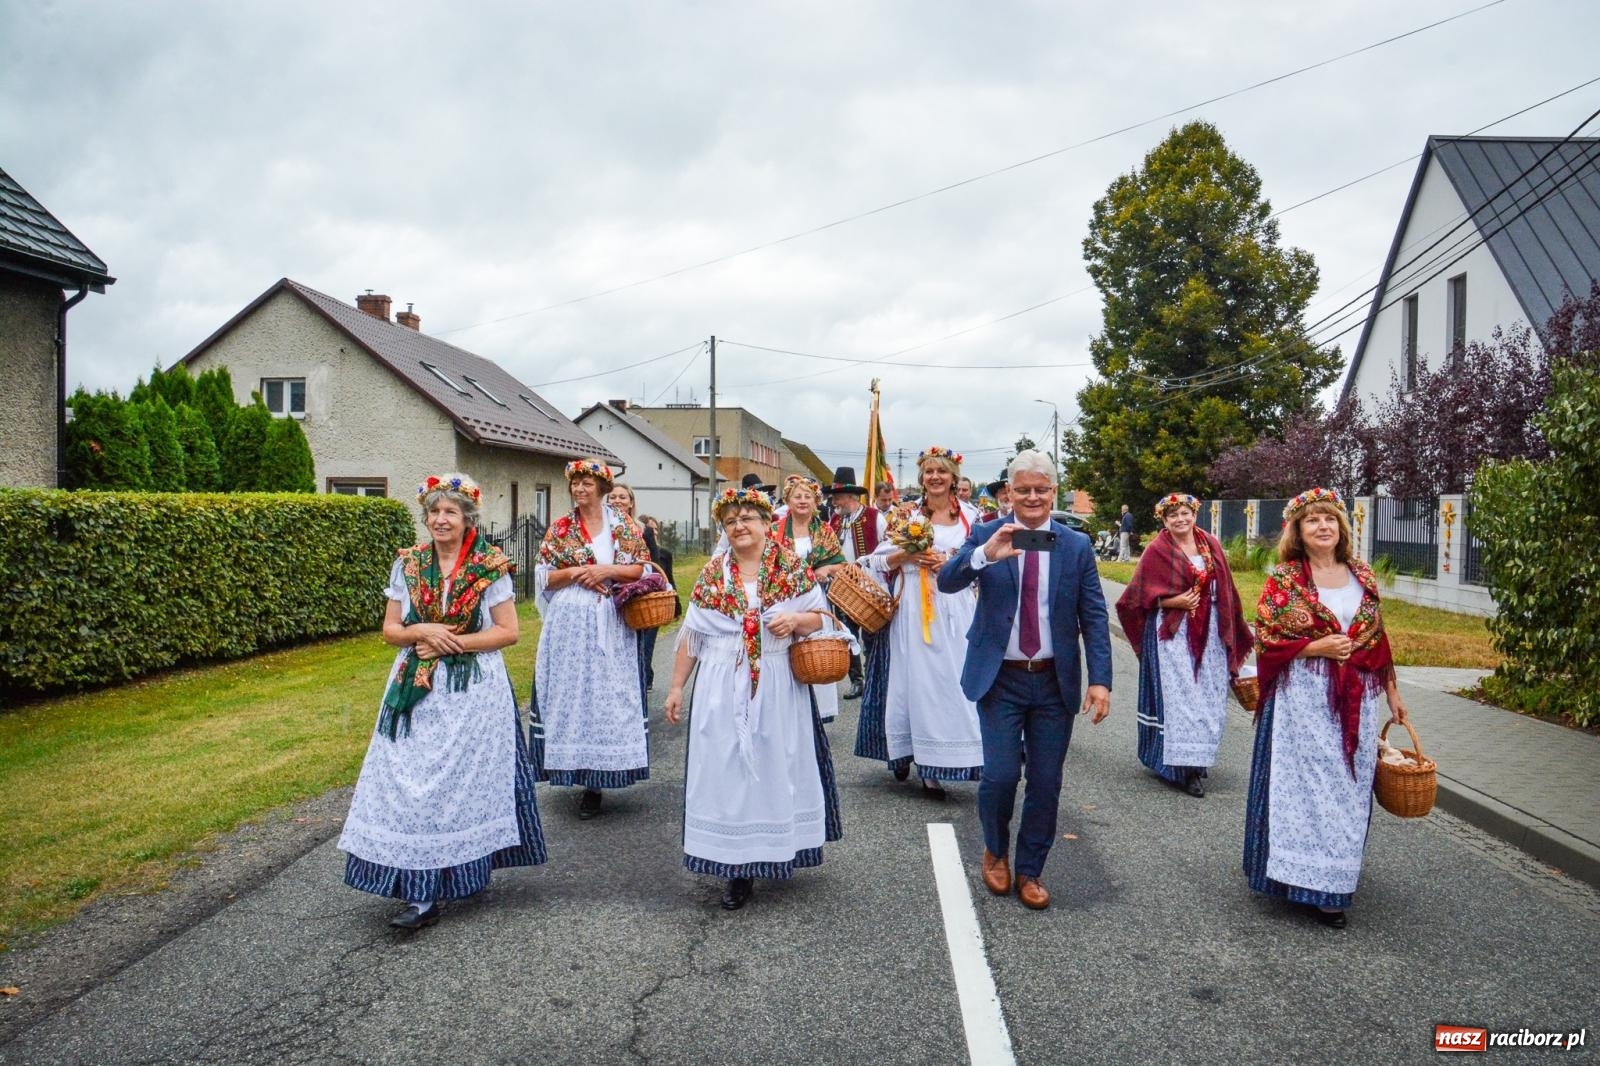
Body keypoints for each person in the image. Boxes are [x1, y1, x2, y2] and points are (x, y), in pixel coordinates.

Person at [339, 473, 546, 929]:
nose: (440, 519)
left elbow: (508, 632)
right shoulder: (408, 564)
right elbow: (391, 630)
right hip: (414, 685)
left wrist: (453, 643)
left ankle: (449, 878)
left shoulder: (489, 565)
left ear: (467, 517)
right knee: (410, 782)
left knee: (460, 785)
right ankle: (417, 888)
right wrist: (423, 632)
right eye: (434, 511)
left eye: (450, 511)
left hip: (471, 691)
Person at [938, 450, 1113, 911]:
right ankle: (996, 849)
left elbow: (1094, 615)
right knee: (998, 776)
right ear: (1008, 493)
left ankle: (1031, 869)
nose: (1032, 497)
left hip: (1053, 682)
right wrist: (983, 555)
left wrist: (1101, 679)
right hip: (1001, 678)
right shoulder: (985, 534)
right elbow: (946, 581)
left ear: (1053, 492)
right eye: (1023, 489)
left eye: (1041, 489)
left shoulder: (1074, 545)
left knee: (1045, 780)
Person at [664, 487, 843, 910]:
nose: (739, 525)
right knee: (726, 771)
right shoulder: (713, 575)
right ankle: (735, 867)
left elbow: (822, 618)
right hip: (722, 682)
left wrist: (796, 618)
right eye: (731, 520)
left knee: (775, 765)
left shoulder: (791, 568)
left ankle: (776, 850)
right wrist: (675, 688)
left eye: (747, 517)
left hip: (778, 680)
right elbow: (693, 637)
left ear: (766, 522)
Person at [1244, 487, 1409, 929]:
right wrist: (1314, 646)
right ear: (1297, 531)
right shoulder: (1286, 579)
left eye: (1330, 519)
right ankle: (1301, 879)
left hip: (1356, 695)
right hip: (1303, 696)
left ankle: (1335, 879)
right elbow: (1267, 639)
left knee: (1348, 787)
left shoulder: (1362, 575)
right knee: (1305, 786)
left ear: (1342, 528)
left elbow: (1378, 637)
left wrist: (1392, 692)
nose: (1323, 526)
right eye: (1313, 520)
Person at [532, 459, 652, 819]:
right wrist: (575, 572)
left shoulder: (624, 526)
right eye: (575, 484)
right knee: (573, 693)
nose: (580, 489)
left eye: (587, 483)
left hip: (611, 618)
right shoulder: (560, 529)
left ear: (601, 488)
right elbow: (544, 577)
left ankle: (599, 779)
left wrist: (607, 570)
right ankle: (574, 768)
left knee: (608, 693)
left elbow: (642, 568)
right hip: (570, 621)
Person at [861, 447, 984, 796]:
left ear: (953, 478)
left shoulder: (972, 518)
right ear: (921, 478)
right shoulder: (905, 515)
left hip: (956, 605)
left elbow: (980, 560)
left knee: (951, 681)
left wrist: (950, 562)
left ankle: (947, 754)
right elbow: (878, 562)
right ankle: (914, 756)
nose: (934, 477)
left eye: (941, 472)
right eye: (929, 472)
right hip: (914, 606)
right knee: (913, 682)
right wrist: (909, 554)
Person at [1115, 493, 1253, 798]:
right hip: (1174, 635)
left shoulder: (1211, 544)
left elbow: (1226, 586)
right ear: (1164, 520)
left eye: (1185, 513)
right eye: (1173, 515)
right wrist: (1170, 600)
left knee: (1209, 696)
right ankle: (1184, 769)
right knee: (1183, 700)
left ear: (1194, 515)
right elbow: (1134, 598)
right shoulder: (1157, 550)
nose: (1180, 519)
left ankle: (1198, 758)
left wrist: (1233, 625)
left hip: (1212, 631)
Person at [772, 475, 848, 723]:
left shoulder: (824, 531)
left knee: (816, 652)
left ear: (816, 501)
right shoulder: (775, 530)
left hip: (815, 599)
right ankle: (785, 706)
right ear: (788, 501)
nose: (802, 501)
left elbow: (841, 565)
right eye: (797, 496)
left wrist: (825, 570)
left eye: (807, 496)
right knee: (782, 652)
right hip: (781, 599)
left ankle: (817, 713)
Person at [826, 466, 886, 701]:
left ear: (851, 496)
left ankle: (871, 679)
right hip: (843, 587)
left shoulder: (874, 517)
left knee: (871, 636)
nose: (834, 501)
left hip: (869, 587)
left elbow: (887, 547)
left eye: (837, 496)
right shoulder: (834, 520)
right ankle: (856, 681)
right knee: (848, 636)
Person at [608, 483, 673, 692]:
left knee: (638, 650)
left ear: (631, 502)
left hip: (634, 598)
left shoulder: (641, 529)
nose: (617, 501)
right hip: (607, 595)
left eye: (622, 497)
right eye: (613, 497)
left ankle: (639, 689)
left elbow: (652, 564)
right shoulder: (602, 527)